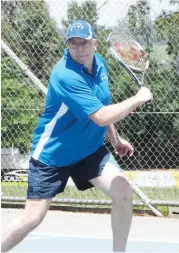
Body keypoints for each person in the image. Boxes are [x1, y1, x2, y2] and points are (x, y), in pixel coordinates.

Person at [1, 20, 153, 252]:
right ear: (68, 46)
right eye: (73, 43)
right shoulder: (65, 74)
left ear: (95, 44)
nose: (79, 48)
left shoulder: (100, 64)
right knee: (32, 219)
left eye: (84, 42)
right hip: (53, 155)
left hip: (89, 149)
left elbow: (102, 104)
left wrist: (115, 139)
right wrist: (138, 98)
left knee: (123, 193)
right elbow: (101, 116)